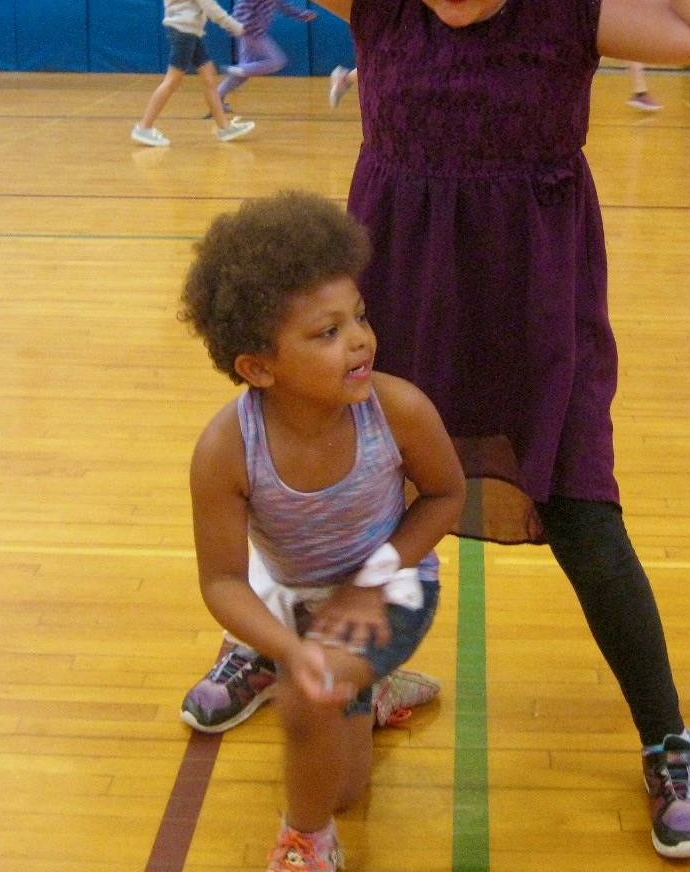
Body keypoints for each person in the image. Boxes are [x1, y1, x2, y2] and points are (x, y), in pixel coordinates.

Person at [216, 0, 690, 858]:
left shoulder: (568, 5)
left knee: (583, 514)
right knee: (336, 486)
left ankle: (667, 740)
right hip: (388, 287)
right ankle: (284, 649)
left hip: (533, 299)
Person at [182, 190, 466, 872]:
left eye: (358, 318)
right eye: (327, 333)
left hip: (390, 583)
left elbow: (447, 495)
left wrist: (371, 583)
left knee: (319, 719)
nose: (361, 340)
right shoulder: (226, 448)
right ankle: (324, 800)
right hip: (297, 601)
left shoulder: (398, 410)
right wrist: (286, 647)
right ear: (259, 367)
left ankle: (313, 818)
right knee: (336, 770)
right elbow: (222, 579)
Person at [134, 0, 255, 146]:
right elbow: (207, 4)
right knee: (172, 81)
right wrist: (235, 27)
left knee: (209, 77)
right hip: (185, 32)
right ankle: (144, 127)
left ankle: (224, 128)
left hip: (187, 30)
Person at [216, 0, 317, 110]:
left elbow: (281, 4)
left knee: (242, 75)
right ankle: (238, 69)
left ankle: (217, 99)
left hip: (249, 31)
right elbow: (244, 2)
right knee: (277, 61)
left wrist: (301, 15)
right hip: (253, 32)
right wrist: (239, 25)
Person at [585, 0, 663, 111]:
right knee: (628, 49)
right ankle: (640, 93)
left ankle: (640, 92)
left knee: (607, 49)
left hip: (611, 4)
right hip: (622, 6)